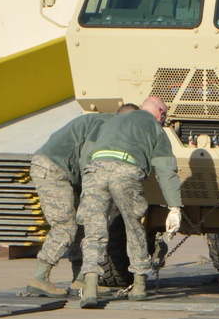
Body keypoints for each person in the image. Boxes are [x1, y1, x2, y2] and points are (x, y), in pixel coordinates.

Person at [75, 97, 182, 307]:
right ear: (160, 113)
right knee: (133, 227)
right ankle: (140, 285)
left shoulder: (113, 120)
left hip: (95, 171)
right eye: (165, 116)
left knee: (94, 231)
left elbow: (87, 153)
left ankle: (89, 288)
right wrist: (174, 207)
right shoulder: (155, 127)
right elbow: (166, 170)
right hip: (125, 172)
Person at [24, 103, 139, 298]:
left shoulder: (107, 123)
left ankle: (81, 279)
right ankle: (40, 277)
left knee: (81, 224)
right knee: (65, 225)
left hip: (66, 172)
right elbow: (89, 158)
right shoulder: (104, 125)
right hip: (53, 169)